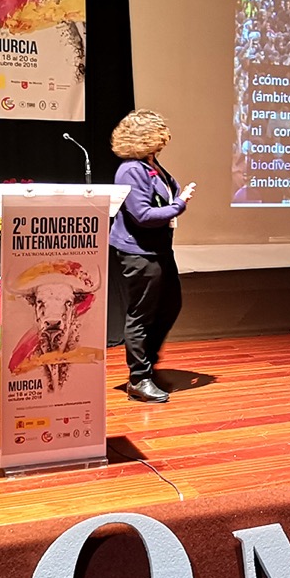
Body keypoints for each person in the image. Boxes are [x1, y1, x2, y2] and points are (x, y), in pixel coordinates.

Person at [109, 110, 197, 402]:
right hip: (139, 252)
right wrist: (180, 204)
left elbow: (162, 197)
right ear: (144, 137)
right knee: (142, 314)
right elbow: (143, 215)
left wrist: (176, 197)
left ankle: (148, 361)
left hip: (159, 249)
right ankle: (138, 378)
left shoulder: (151, 163)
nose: (165, 137)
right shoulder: (130, 169)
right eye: (160, 132)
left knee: (171, 305)